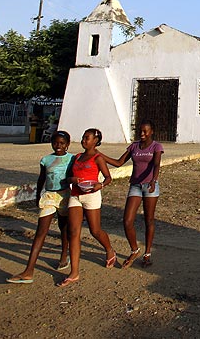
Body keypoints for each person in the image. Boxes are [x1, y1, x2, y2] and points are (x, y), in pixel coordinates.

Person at [7, 130, 75, 284]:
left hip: (65, 196)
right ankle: (29, 270)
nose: (58, 146)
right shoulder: (46, 160)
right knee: (40, 231)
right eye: (55, 143)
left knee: (64, 228)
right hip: (49, 196)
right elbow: (41, 178)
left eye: (62, 143)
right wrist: (38, 195)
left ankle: (64, 255)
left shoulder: (71, 159)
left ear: (67, 145)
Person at [58, 128, 117, 287]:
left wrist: (101, 185)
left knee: (95, 230)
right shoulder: (77, 157)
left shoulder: (98, 158)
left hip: (91, 196)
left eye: (87, 138)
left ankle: (109, 249)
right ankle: (74, 272)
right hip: (76, 195)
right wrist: (73, 180)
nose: (84, 140)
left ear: (95, 141)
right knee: (73, 232)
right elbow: (68, 177)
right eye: (83, 137)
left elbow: (108, 177)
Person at [102, 120, 163, 268]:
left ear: (152, 131)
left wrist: (154, 180)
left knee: (149, 220)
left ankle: (147, 253)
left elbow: (156, 164)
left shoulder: (156, 147)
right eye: (140, 131)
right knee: (127, 220)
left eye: (145, 131)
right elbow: (118, 162)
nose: (142, 134)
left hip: (150, 185)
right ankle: (134, 249)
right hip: (135, 186)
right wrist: (99, 155)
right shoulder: (134, 146)